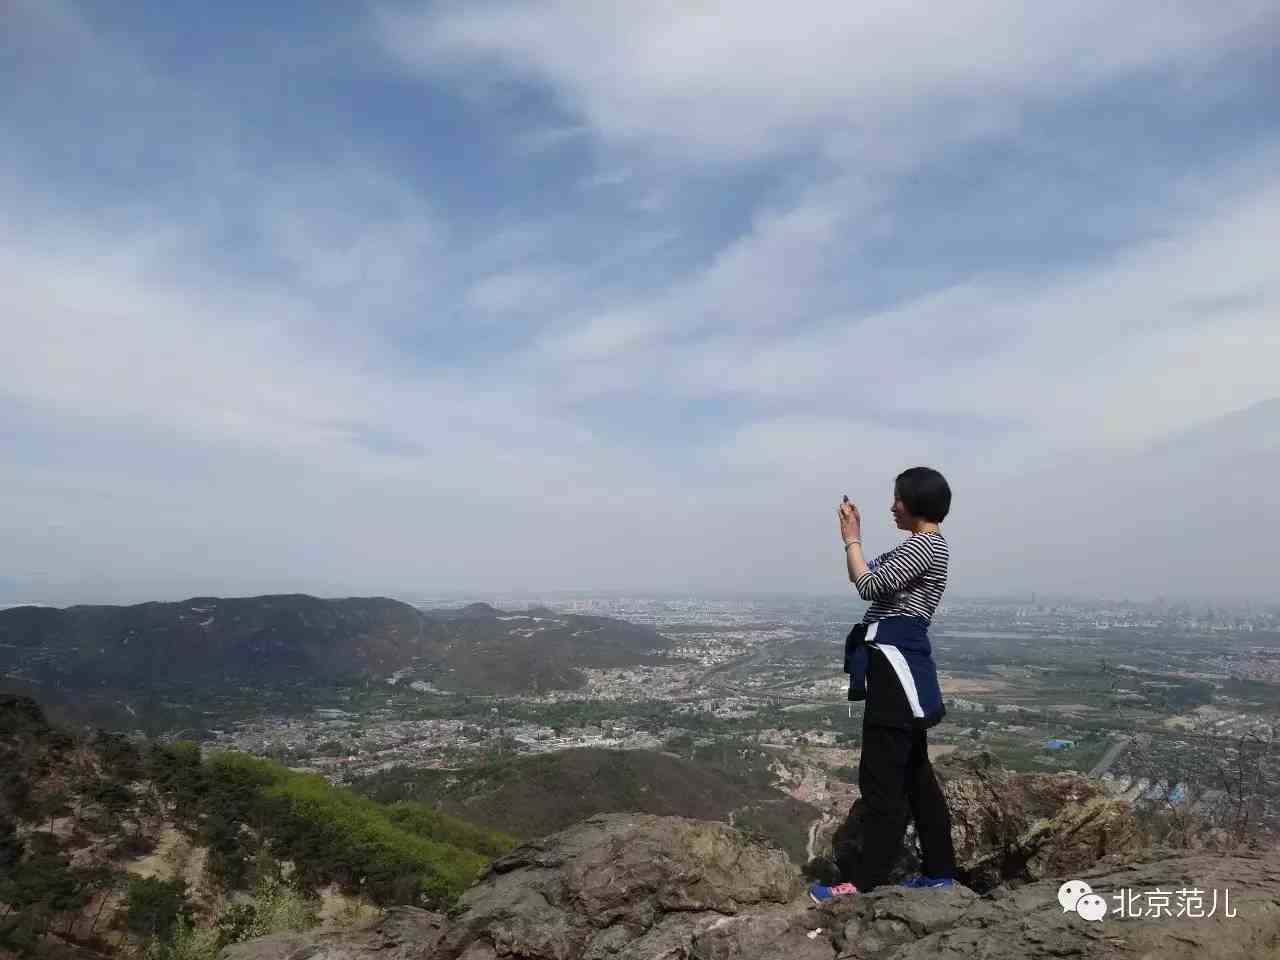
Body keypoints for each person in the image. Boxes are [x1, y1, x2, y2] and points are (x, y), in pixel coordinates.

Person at [809, 466, 958, 904]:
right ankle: (939, 873)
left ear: (916, 502)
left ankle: (864, 884)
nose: (892, 506)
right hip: (901, 670)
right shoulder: (924, 547)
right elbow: (869, 573)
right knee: (915, 777)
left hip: (895, 672)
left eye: (897, 499)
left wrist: (852, 537)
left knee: (881, 783)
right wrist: (854, 544)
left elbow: (867, 583)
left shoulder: (924, 546)